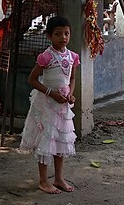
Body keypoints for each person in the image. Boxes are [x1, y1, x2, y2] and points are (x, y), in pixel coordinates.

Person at [19, 16, 79, 194]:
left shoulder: (73, 56)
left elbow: (72, 79)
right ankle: (44, 180)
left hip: (63, 106)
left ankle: (59, 178)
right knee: (47, 140)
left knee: (61, 140)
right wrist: (50, 93)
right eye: (58, 34)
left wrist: (70, 94)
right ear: (49, 36)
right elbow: (32, 79)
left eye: (66, 33)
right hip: (46, 105)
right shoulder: (46, 56)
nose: (63, 37)